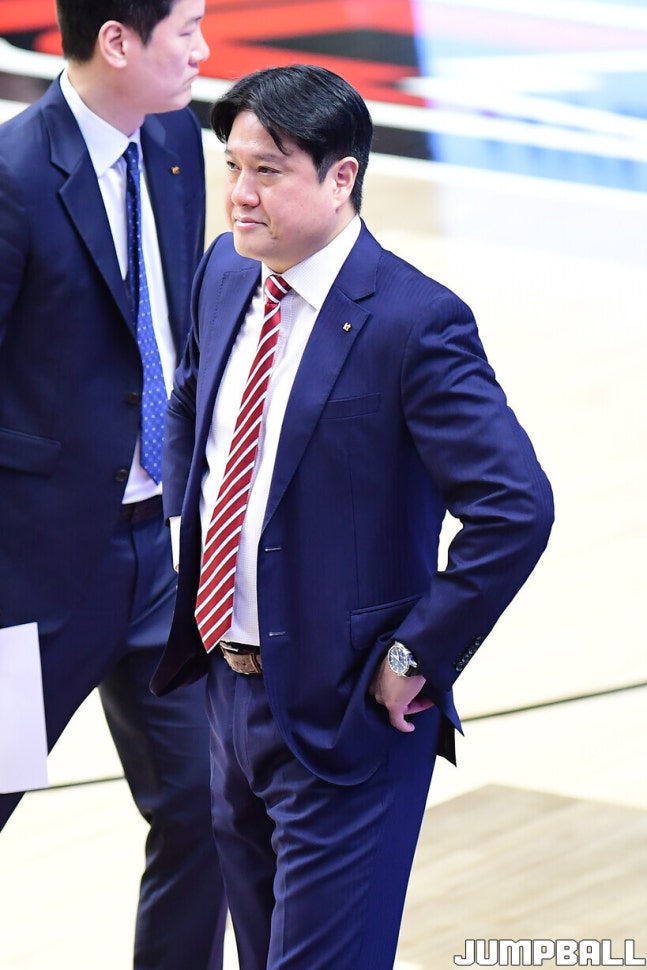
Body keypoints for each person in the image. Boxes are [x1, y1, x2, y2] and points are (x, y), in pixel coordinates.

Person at [151, 64, 554, 970]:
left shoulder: (416, 323)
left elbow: (515, 508)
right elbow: (192, 404)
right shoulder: (225, 272)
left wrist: (417, 654)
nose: (239, 194)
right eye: (233, 166)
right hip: (227, 694)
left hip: (347, 715)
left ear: (342, 177)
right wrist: (187, 530)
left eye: (268, 171)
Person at [0, 2, 227, 968]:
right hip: (26, 583)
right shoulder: (13, 175)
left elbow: (174, 326)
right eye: (188, 29)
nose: (204, 51)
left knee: (209, 808)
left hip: (158, 563)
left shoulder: (173, 140)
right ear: (119, 41)